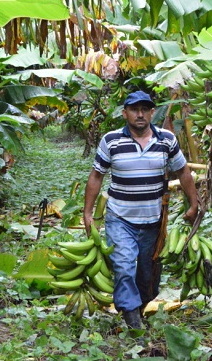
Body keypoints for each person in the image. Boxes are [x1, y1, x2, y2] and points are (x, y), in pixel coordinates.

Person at [83, 90, 198, 329]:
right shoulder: (111, 141)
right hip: (120, 217)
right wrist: (88, 213)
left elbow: (183, 171)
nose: (140, 114)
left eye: (145, 109)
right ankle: (132, 319)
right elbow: (96, 176)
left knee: (149, 274)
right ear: (125, 113)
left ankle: (140, 306)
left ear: (152, 113)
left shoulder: (166, 140)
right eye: (135, 109)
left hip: (153, 220)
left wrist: (194, 203)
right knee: (124, 266)